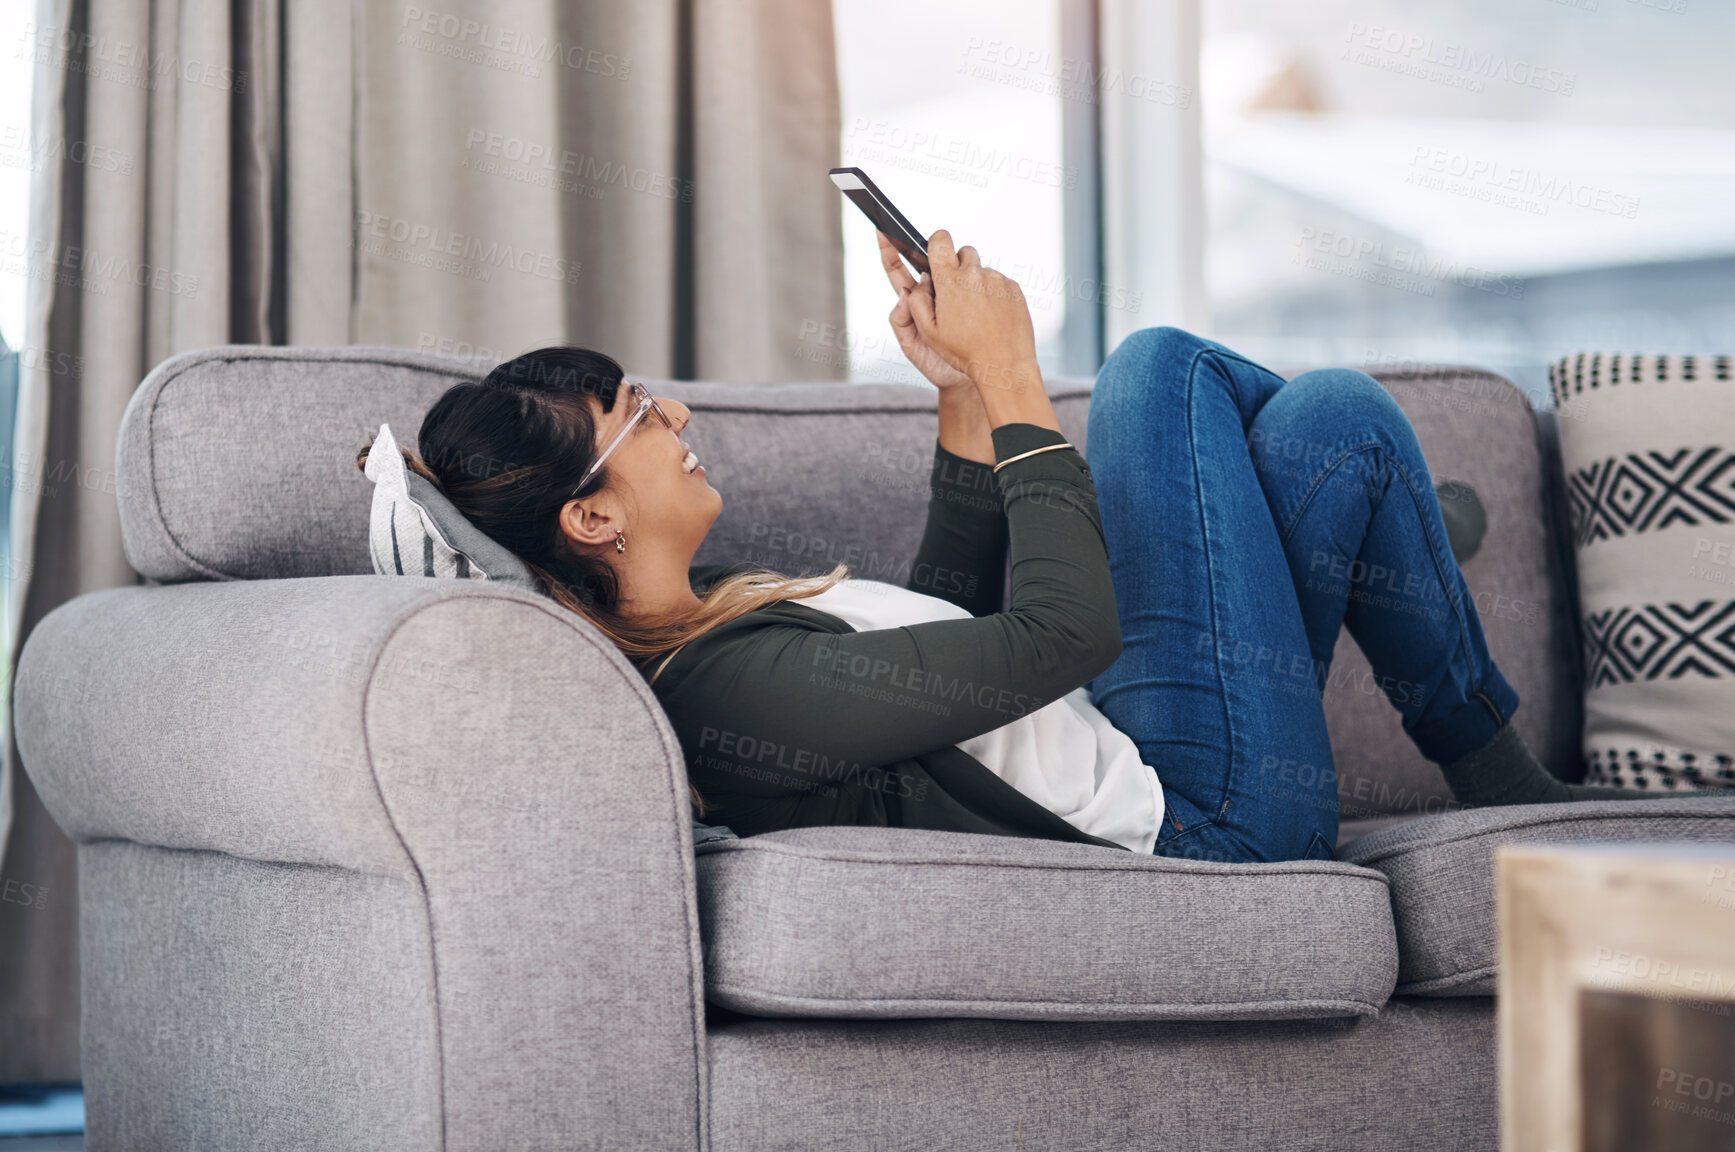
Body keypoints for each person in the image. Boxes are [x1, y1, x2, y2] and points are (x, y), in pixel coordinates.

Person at [370, 228, 1643, 864]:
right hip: (1202, 822)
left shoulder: (725, 628)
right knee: (1150, 370)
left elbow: (939, 639)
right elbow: (1059, 640)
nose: (680, 416)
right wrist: (1017, 370)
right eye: (641, 418)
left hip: (1163, 749)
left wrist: (959, 398)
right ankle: (1395, 533)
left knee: (1337, 420)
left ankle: (1494, 765)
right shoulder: (717, 694)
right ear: (590, 518)